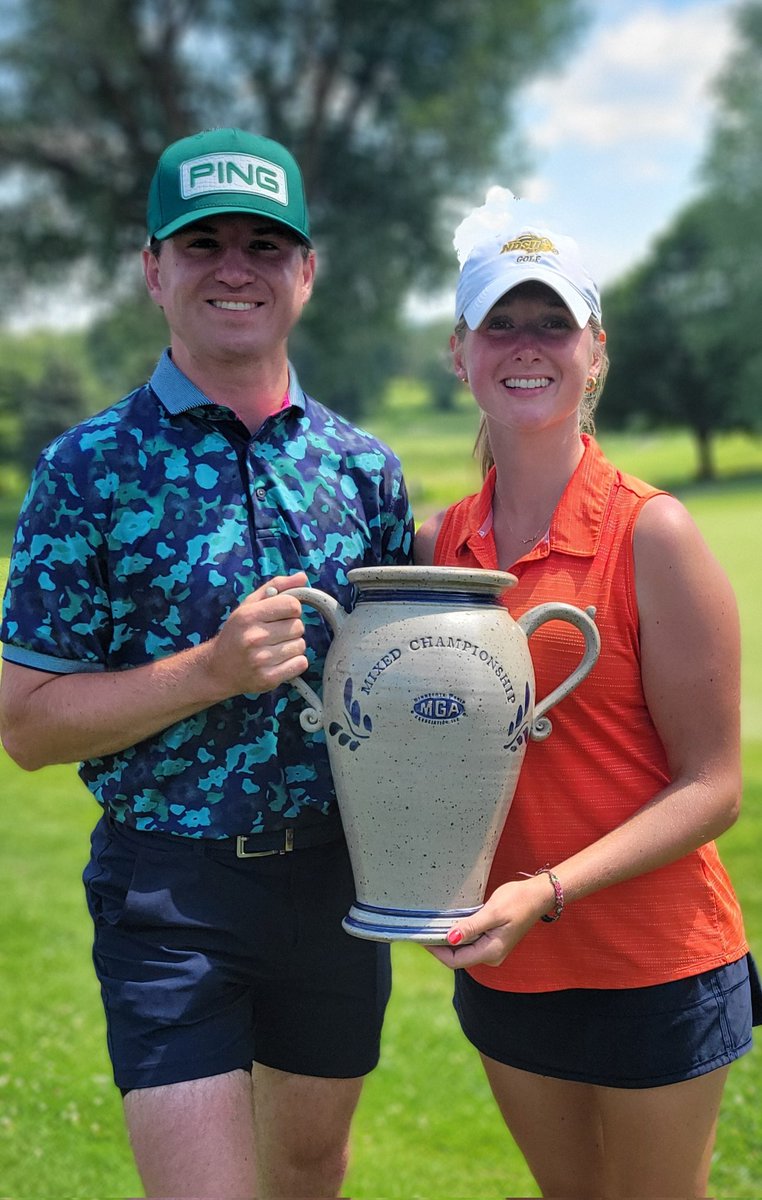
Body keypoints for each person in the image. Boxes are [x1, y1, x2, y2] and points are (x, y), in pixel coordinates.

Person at [0, 127, 413, 1199]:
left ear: (307, 273)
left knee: (310, 1169)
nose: (237, 267)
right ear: (153, 269)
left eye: (267, 244)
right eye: (203, 242)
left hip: (336, 880)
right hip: (169, 894)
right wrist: (210, 672)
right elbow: (28, 726)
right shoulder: (86, 470)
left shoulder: (364, 472)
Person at [414, 188, 760, 1199]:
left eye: (553, 323)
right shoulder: (442, 544)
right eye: (502, 324)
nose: (529, 346)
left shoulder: (655, 535)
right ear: (461, 354)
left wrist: (548, 890)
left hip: (655, 964)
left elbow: (713, 788)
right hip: (508, 965)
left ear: (594, 350)